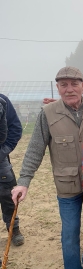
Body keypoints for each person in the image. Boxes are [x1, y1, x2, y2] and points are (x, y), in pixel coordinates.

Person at [11, 66, 83, 269]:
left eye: (74, 83)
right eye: (64, 84)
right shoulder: (47, 113)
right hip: (67, 185)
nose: (69, 89)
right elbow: (35, 149)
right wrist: (24, 182)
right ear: (58, 87)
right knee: (69, 232)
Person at [0, 94, 24, 249]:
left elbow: (15, 128)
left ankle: (14, 230)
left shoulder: (3, 101)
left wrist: (2, 152)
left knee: (9, 197)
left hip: (1, 163)